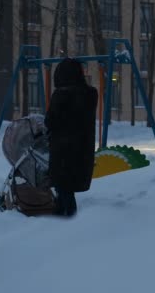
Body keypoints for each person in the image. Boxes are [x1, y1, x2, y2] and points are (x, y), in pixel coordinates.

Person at [45, 58, 98, 217]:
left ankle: (68, 226)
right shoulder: (90, 94)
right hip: (82, 150)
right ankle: (62, 219)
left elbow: (50, 121)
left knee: (63, 190)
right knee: (66, 191)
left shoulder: (61, 95)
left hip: (63, 151)